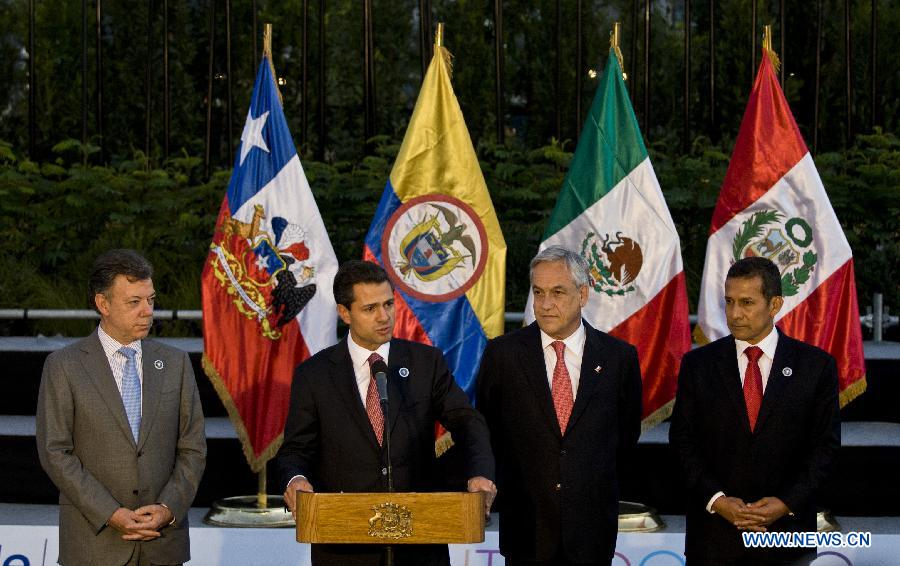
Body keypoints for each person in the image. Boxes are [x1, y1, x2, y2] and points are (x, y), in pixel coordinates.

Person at [276, 259, 496, 566]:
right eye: (370, 309)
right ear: (344, 313)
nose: (384, 317)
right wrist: (296, 480)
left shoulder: (425, 362)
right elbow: (296, 449)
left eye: (388, 304)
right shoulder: (314, 375)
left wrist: (480, 473)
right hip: (344, 545)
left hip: (419, 544)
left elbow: (467, 421)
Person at [35, 249, 206, 566]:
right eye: (134, 302)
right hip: (93, 545)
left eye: (150, 300)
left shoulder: (175, 364)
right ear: (103, 304)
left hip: (163, 547)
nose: (147, 311)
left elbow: (193, 447)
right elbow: (55, 451)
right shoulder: (63, 366)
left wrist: (168, 508)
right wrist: (110, 513)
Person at [476, 245, 642, 565]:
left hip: (592, 532)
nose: (546, 304)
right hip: (526, 530)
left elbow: (624, 437)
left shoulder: (619, 358)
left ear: (583, 294)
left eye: (557, 292)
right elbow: (487, 430)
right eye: (538, 292)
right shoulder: (503, 355)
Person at [669, 256, 840, 565]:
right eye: (729, 301)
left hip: (787, 538)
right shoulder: (698, 365)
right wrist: (717, 501)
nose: (735, 314)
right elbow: (682, 442)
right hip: (713, 540)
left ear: (775, 304)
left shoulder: (815, 367)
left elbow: (824, 448)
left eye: (747, 302)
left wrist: (785, 503)